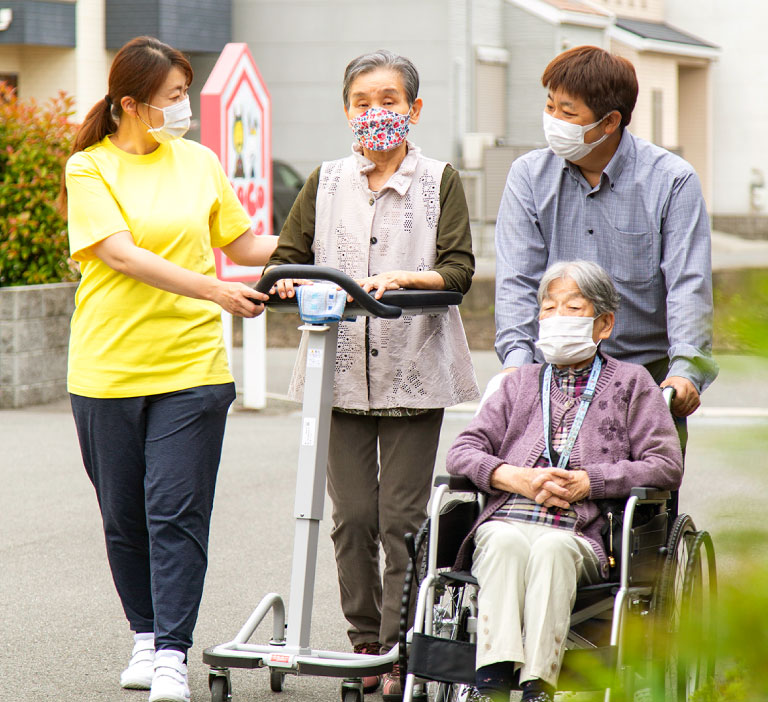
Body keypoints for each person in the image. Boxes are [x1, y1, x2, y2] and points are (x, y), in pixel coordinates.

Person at [62, 36, 277, 702]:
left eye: (186, 92)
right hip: (107, 369)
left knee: (175, 512)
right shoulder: (89, 169)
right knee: (124, 517)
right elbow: (121, 256)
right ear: (130, 104)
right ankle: (146, 636)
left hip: (191, 367)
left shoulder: (200, 162)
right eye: (174, 97)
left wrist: (317, 235)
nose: (185, 107)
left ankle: (172, 657)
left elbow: (241, 242)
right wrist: (215, 290)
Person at [265, 49, 479, 700]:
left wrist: (406, 279)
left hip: (415, 367)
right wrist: (286, 285)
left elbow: (459, 270)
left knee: (402, 519)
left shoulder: (439, 179)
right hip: (339, 375)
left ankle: (396, 649)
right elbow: (286, 258)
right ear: (346, 110)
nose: (375, 112)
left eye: (389, 101)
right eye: (362, 102)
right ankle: (363, 643)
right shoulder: (324, 182)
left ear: (414, 110)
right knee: (353, 516)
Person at [446, 260, 683, 702]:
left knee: (552, 548)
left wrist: (588, 482)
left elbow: (666, 465)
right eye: (548, 308)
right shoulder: (517, 384)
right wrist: (511, 476)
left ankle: (539, 684)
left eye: (572, 308)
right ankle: (492, 680)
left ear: (603, 324)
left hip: (580, 533)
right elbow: (461, 451)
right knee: (500, 540)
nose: (556, 318)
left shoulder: (634, 384)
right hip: (511, 517)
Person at [494, 45, 718, 436]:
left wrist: (686, 372)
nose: (553, 121)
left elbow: (688, 285)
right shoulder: (529, 176)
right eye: (550, 108)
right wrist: (516, 363)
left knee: (643, 489)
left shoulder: (671, 181)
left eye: (567, 112)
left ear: (610, 121)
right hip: (551, 373)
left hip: (645, 377)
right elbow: (517, 279)